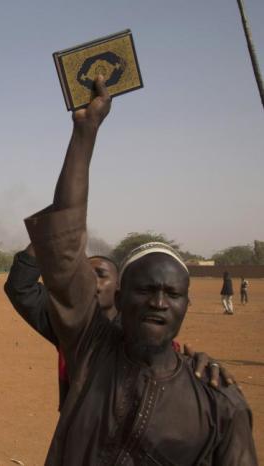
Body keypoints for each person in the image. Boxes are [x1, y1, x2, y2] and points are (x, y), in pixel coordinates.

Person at [24, 76, 256, 464]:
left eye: (172, 294)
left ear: (187, 304)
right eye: (145, 290)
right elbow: (64, 248)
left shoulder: (219, 401)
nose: (159, 302)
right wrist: (85, 133)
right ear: (118, 296)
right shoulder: (91, 350)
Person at [5, 244, 235, 410]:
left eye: (100, 275)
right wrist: (47, 236)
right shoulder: (71, 331)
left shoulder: (152, 338)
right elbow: (20, 288)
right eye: (83, 275)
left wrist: (203, 368)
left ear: (120, 289)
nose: (89, 281)